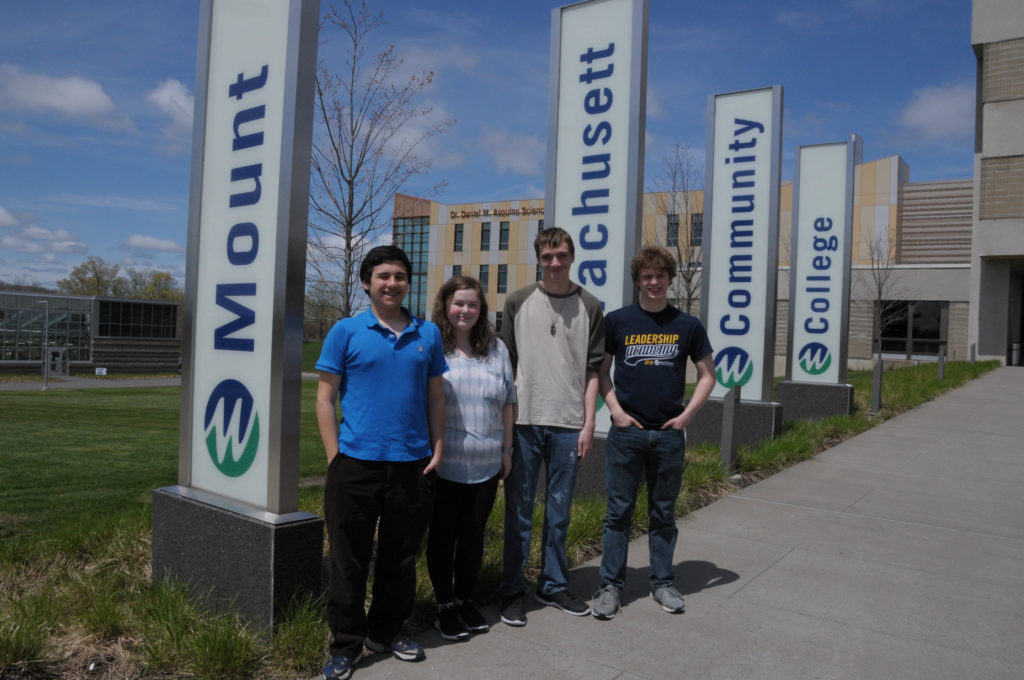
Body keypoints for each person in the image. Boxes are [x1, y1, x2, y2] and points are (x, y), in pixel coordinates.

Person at [315, 245, 447, 680]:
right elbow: (324, 398)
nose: (392, 283)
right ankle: (346, 645)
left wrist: (438, 447)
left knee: (400, 557)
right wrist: (336, 458)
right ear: (367, 282)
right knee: (347, 559)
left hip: (412, 462)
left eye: (400, 276)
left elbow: (435, 397)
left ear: (409, 282)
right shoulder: (346, 331)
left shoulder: (427, 333)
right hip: (355, 464)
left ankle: (387, 632)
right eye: (383, 276)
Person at [591, 245, 715, 620]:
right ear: (638, 280)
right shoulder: (618, 321)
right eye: (647, 276)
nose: (654, 282)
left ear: (669, 279)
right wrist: (615, 411)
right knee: (618, 514)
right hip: (627, 434)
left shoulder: (687, 325)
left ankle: (662, 582)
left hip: (667, 435)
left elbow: (709, 375)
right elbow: (600, 371)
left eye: (660, 276)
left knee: (663, 514)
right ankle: (610, 587)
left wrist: (686, 417)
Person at [498, 226, 605, 626]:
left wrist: (589, 421)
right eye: (547, 257)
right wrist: (503, 428)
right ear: (539, 259)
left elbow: (594, 369)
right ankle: (512, 590)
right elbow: (505, 367)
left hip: (567, 424)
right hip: (524, 420)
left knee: (559, 512)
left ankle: (553, 584)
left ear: (572, 257)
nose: (555, 263)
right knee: (519, 512)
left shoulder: (591, 305)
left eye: (561, 255)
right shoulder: (517, 301)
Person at [426, 275, 516, 641]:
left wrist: (507, 450)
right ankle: (444, 605)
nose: (466, 310)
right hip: (444, 464)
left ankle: (465, 599)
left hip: (486, 463)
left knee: (473, 537)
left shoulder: (497, 349)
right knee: (443, 537)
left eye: (473, 304)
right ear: (445, 306)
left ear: (482, 310)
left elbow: (509, 401)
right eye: (459, 303)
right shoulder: (433, 346)